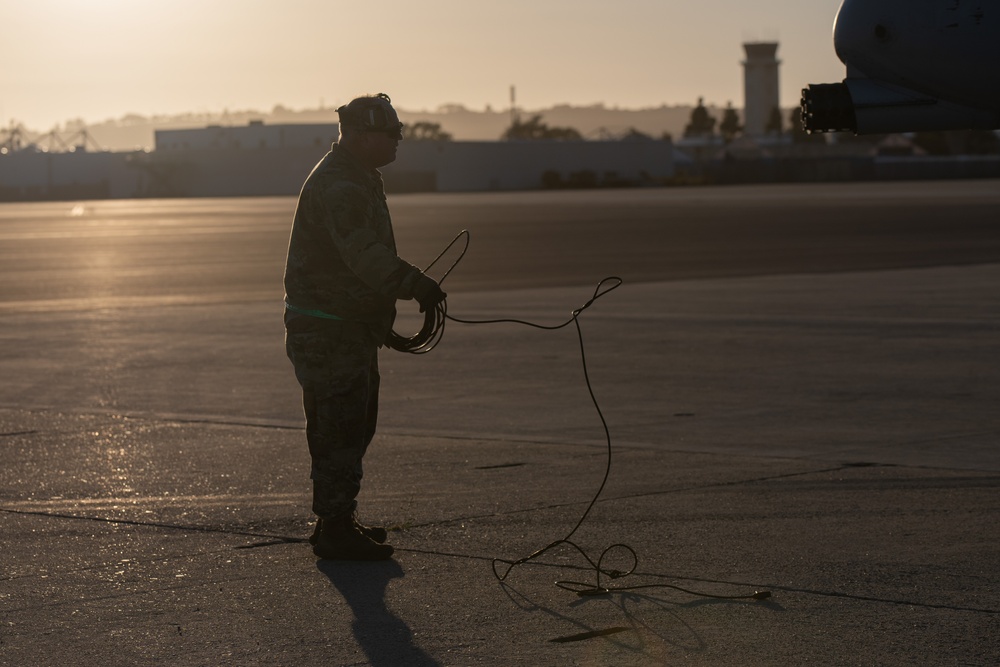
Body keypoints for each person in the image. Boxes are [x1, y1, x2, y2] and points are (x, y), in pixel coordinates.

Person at [283, 93, 445, 560]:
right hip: (328, 331)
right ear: (359, 136)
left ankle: (337, 517)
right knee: (338, 427)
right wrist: (413, 284)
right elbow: (364, 254)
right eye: (390, 134)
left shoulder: (358, 177)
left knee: (351, 425)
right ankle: (334, 527)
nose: (397, 142)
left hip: (346, 327)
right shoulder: (341, 186)